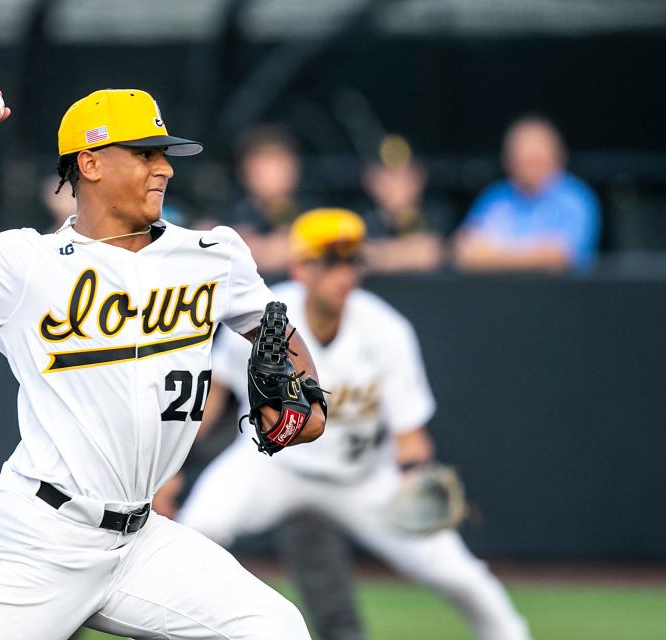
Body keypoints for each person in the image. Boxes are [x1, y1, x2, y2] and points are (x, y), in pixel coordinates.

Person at [0, 84, 327, 640]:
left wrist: (307, 391)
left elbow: (275, 329)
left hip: (140, 541)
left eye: (164, 154)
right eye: (144, 153)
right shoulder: (25, 265)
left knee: (274, 629)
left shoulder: (213, 254)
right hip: (39, 539)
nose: (164, 168)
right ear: (90, 163)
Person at [168, 208, 530, 640]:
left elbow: (410, 436)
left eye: (352, 261)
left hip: (359, 480)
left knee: (463, 577)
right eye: (331, 261)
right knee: (194, 536)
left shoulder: (385, 330)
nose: (344, 274)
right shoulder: (260, 316)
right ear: (302, 267)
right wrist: (170, 472)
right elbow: (212, 401)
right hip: (272, 465)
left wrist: (414, 473)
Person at [453, 115, 601, 272]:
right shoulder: (496, 196)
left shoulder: (575, 198)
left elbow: (560, 255)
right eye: (520, 158)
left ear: (557, 157)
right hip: (499, 293)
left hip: (558, 293)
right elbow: (463, 248)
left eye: (534, 159)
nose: (527, 164)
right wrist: (530, 252)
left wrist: (492, 256)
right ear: (507, 160)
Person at [360, 135, 451, 272]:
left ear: (421, 177)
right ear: (371, 180)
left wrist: (377, 255)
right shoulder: (360, 221)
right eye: (390, 175)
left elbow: (431, 253)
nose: (399, 184)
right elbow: (355, 258)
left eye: (407, 174)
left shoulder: (439, 214)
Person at [228, 125, 307, 279]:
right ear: (245, 170)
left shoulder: (313, 211)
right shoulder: (228, 214)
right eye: (265, 161)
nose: (274, 171)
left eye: (280, 160)